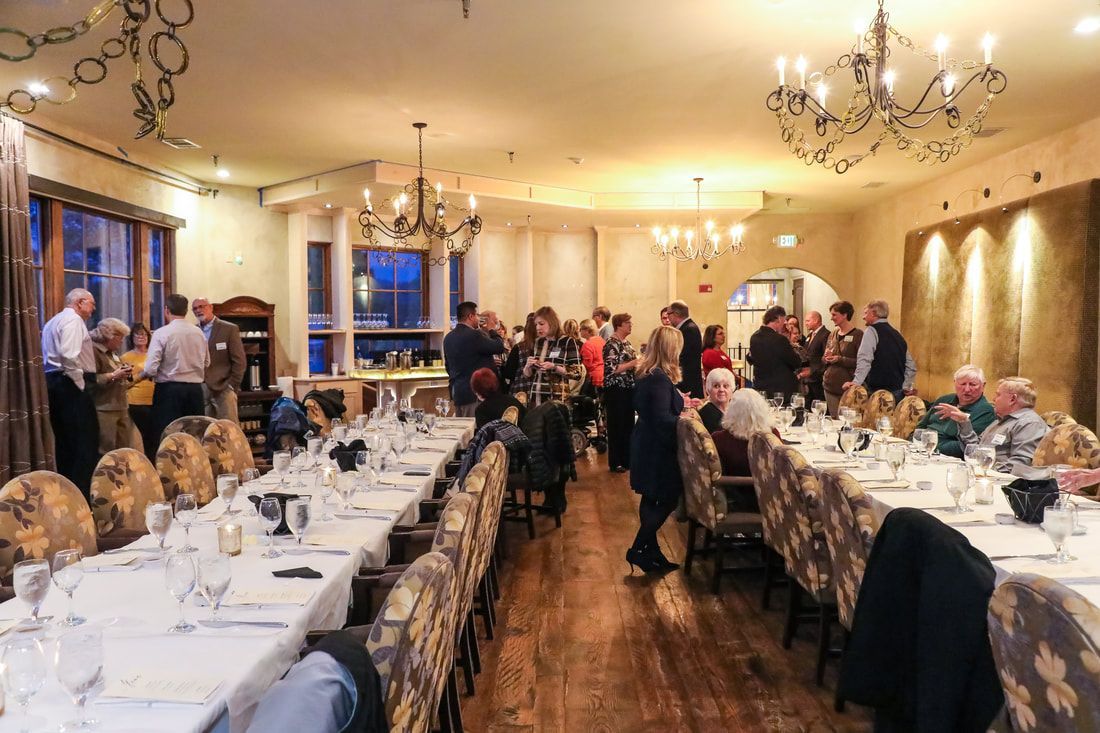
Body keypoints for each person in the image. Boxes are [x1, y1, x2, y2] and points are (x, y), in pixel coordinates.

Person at [628, 326, 692, 573]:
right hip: (656, 447)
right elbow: (661, 419)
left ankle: (651, 554)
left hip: (646, 442)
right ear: (671, 348)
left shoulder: (651, 374)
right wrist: (685, 420)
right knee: (667, 498)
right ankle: (637, 549)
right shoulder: (657, 378)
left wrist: (681, 404)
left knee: (650, 497)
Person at [42, 288, 100, 495]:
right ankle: (81, 496)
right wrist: (80, 384)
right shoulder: (73, 321)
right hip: (70, 383)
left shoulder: (52, 322)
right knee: (84, 442)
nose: (93, 310)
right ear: (80, 302)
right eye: (91, 304)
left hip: (54, 382)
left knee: (66, 442)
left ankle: (67, 494)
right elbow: (69, 356)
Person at [939, 376, 1049, 474]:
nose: (993, 399)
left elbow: (1020, 464)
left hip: (1001, 484)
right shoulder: (1000, 421)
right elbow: (976, 451)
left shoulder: (1029, 423)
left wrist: (986, 471)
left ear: (1012, 399)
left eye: (998, 395)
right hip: (983, 475)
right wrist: (964, 423)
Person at [145, 293, 210, 446]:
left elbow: (150, 368)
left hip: (169, 390)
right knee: (194, 436)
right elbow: (207, 362)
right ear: (186, 311)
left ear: (166, 310)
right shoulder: (198, 333)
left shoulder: (162, 333)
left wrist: (143, 375)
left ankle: (168, 469)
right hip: (195, 391)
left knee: (167, 436)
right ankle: (195, 468)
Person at [843, 299, 917, 400]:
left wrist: (856, 383)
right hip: (898, 392)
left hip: (878, 392)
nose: (863, 317)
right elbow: (911, 366)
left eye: (865, 313)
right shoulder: (897, 334)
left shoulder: (871, 331)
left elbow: (864, 359)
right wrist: (906, 386)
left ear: (874, 313)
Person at [917, 365, 996, 458]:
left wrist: (930, 445)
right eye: (962, 384)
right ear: (955, 383)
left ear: (983, 386)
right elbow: (920, 428)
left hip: (946, 458)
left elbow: (965, 447)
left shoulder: (986, 411)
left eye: (973, 385)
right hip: (922, 452)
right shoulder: (944, 400)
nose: (967, 389)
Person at [442, 301, 505, 417]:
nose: (478, 319)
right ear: (470, 316)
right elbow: (499, 347)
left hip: (458, 393)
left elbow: (448, 367)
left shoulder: (448, 338)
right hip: (474, 393)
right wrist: (492, 330)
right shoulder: (474, 335)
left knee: (463, 430)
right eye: (476, 315)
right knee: (474, 430)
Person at [191, 297, 246, 422]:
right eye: (195, 308)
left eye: (202, 306)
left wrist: (232, 385)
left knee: (228, 429)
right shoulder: (193, 331)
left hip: (224, 388)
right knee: (205, 429)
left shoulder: (229, 329)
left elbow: (240, 361)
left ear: (211, 307)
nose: (198, 310)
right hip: (201, 388)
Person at [89, 318, 138, 454]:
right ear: (110, 336)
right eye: (120, 338)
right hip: (104, 408)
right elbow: (90, 380)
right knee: (106, 449)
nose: (122, 341)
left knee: (125, 448)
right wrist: (113, 375)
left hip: (121, 405)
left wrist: (125, 372)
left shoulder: (113, 353)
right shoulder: (94, 352)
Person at [712, 388, 779, 480]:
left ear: (731, 410)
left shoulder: (719, 439)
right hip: (768, 490)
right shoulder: (772, 434)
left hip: (732, 489)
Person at [524, 306, 583, 407]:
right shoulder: (538, 342)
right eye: (536, 324)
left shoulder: (567, 341)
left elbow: (577, 373)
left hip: (557, 398)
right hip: (536, 396)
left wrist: (554, 367)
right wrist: (528, 366)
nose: (538, 327)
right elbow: (528, 375)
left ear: (552, 323)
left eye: (541, 324)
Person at [603, 313, 638, 474]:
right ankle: (616, 461)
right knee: (617, 425)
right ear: (619, 325)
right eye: (628, 323)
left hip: (628, 388)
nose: (631, 325)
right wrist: (633, 363)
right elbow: (612, 369)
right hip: (616, 389)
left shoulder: (627, 343)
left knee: (628, 424)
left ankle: (627, 459)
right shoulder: (612, 344)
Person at [747, 305, 801, 402]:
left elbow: (753, 358)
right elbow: (795, 362)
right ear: (778, 319)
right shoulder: (779, 339)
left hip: (761, 386)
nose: (784, 324)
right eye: (784, 321)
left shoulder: (754, 337)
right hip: (780, 389)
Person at [121, 322, 157, 460]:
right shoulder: (126, 358)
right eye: (137, 334)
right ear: (132, 338)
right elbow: (125, 383)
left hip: (156, 399)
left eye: (144, 334)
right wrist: (142, 374)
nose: (141, 337)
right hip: (136, 402)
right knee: (143, 438)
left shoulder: (154, 355)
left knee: (155, 437)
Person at [822, 300, 863, 417]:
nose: (831, 318)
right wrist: (826, 357)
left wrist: (839, 359)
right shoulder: (833, 333)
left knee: (846, 421)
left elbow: (861, 362)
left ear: (845, 315)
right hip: (829, 385)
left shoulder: (858, 335)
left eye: (834, 315)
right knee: (834, 419)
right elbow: (824, 358)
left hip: (846, 387)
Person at [665, 300, 703, 399]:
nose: (667, 318)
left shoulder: (688, 330)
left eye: (668, 314)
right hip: (687, 381)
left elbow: (680, 357)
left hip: (687, 383)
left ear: (676, 314)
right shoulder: (688, 328)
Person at [502, 313, 537, 397]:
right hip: (539, 390)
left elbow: (509, 373)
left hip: (521, 390)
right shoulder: (545, 346)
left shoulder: (519, 347)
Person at [799, 311, 829, 404]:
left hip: (818, 378)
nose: (805, 323)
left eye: (808, 321)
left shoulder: (826, 334)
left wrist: (814, 371)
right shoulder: (810, 335)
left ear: (816, 320)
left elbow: (825, 358)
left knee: (818, 405)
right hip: (808, 378)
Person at [698, 367, 735, 434]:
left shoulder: (733, 409)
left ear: (732, 389)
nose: (721, 390)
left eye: (725, 386)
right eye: (716, 386)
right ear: (708, 389)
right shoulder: (708, 413)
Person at [578, 319, 605, 392]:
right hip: (604, 375)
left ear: (587, 330)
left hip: (593, 378)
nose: (579, 331)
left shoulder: (587, 344)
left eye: (581, 329)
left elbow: (587, 365)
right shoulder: (601, 340)